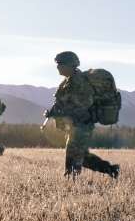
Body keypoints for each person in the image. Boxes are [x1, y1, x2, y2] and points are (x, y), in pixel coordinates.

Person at [42, 51, 119, 179]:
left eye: (60, 64)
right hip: (74, 125)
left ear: (70, 65)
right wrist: (53, 113)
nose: (57, 67)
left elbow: (85, 104)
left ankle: (71, 179)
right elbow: (61, 104)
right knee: (82, 156)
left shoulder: (80, 82)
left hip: (83, 124)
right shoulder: (66, 83)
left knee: (74, 154)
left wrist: (64, 111)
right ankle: (111, 170)